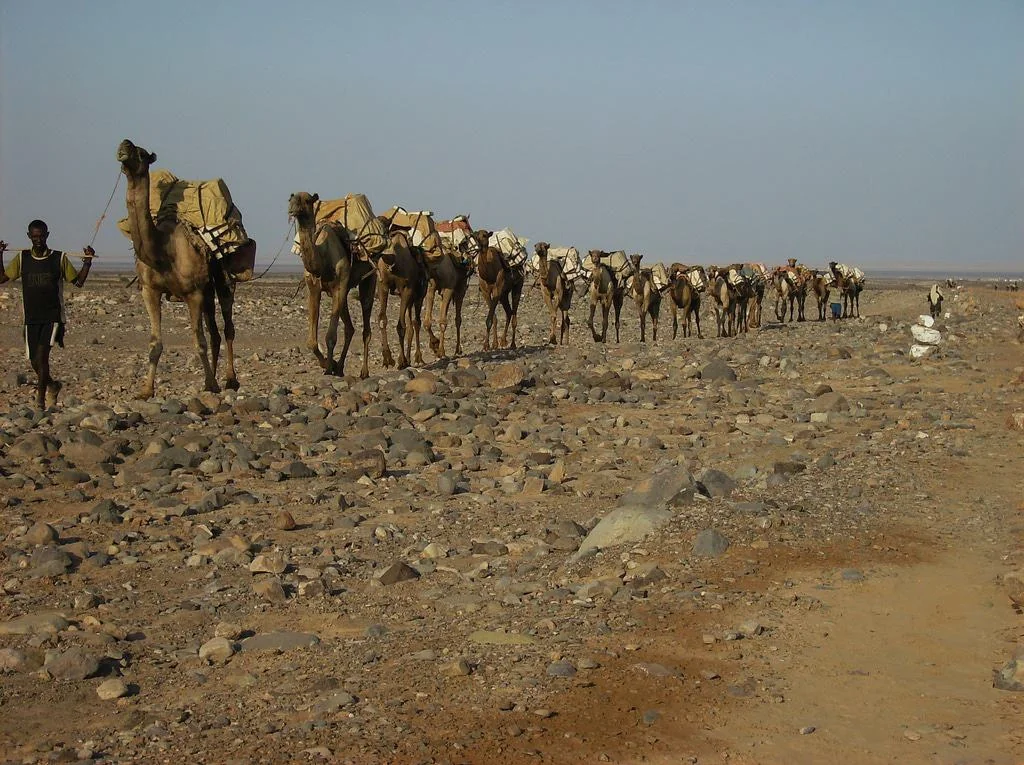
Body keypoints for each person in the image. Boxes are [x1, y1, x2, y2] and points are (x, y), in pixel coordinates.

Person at [0, 220, 94, 409]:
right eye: (35, 237)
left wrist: (87, 263)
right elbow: (2, 279)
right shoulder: (22, 258)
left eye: (41, 236)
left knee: (43, 356)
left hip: (53, 317)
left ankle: (41, 401)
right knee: (34, 361)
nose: (38, 240)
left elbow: (77, 282)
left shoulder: (58, 259)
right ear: (29, 237)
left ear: (47, 235)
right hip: (31, 318)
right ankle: (52, 385)